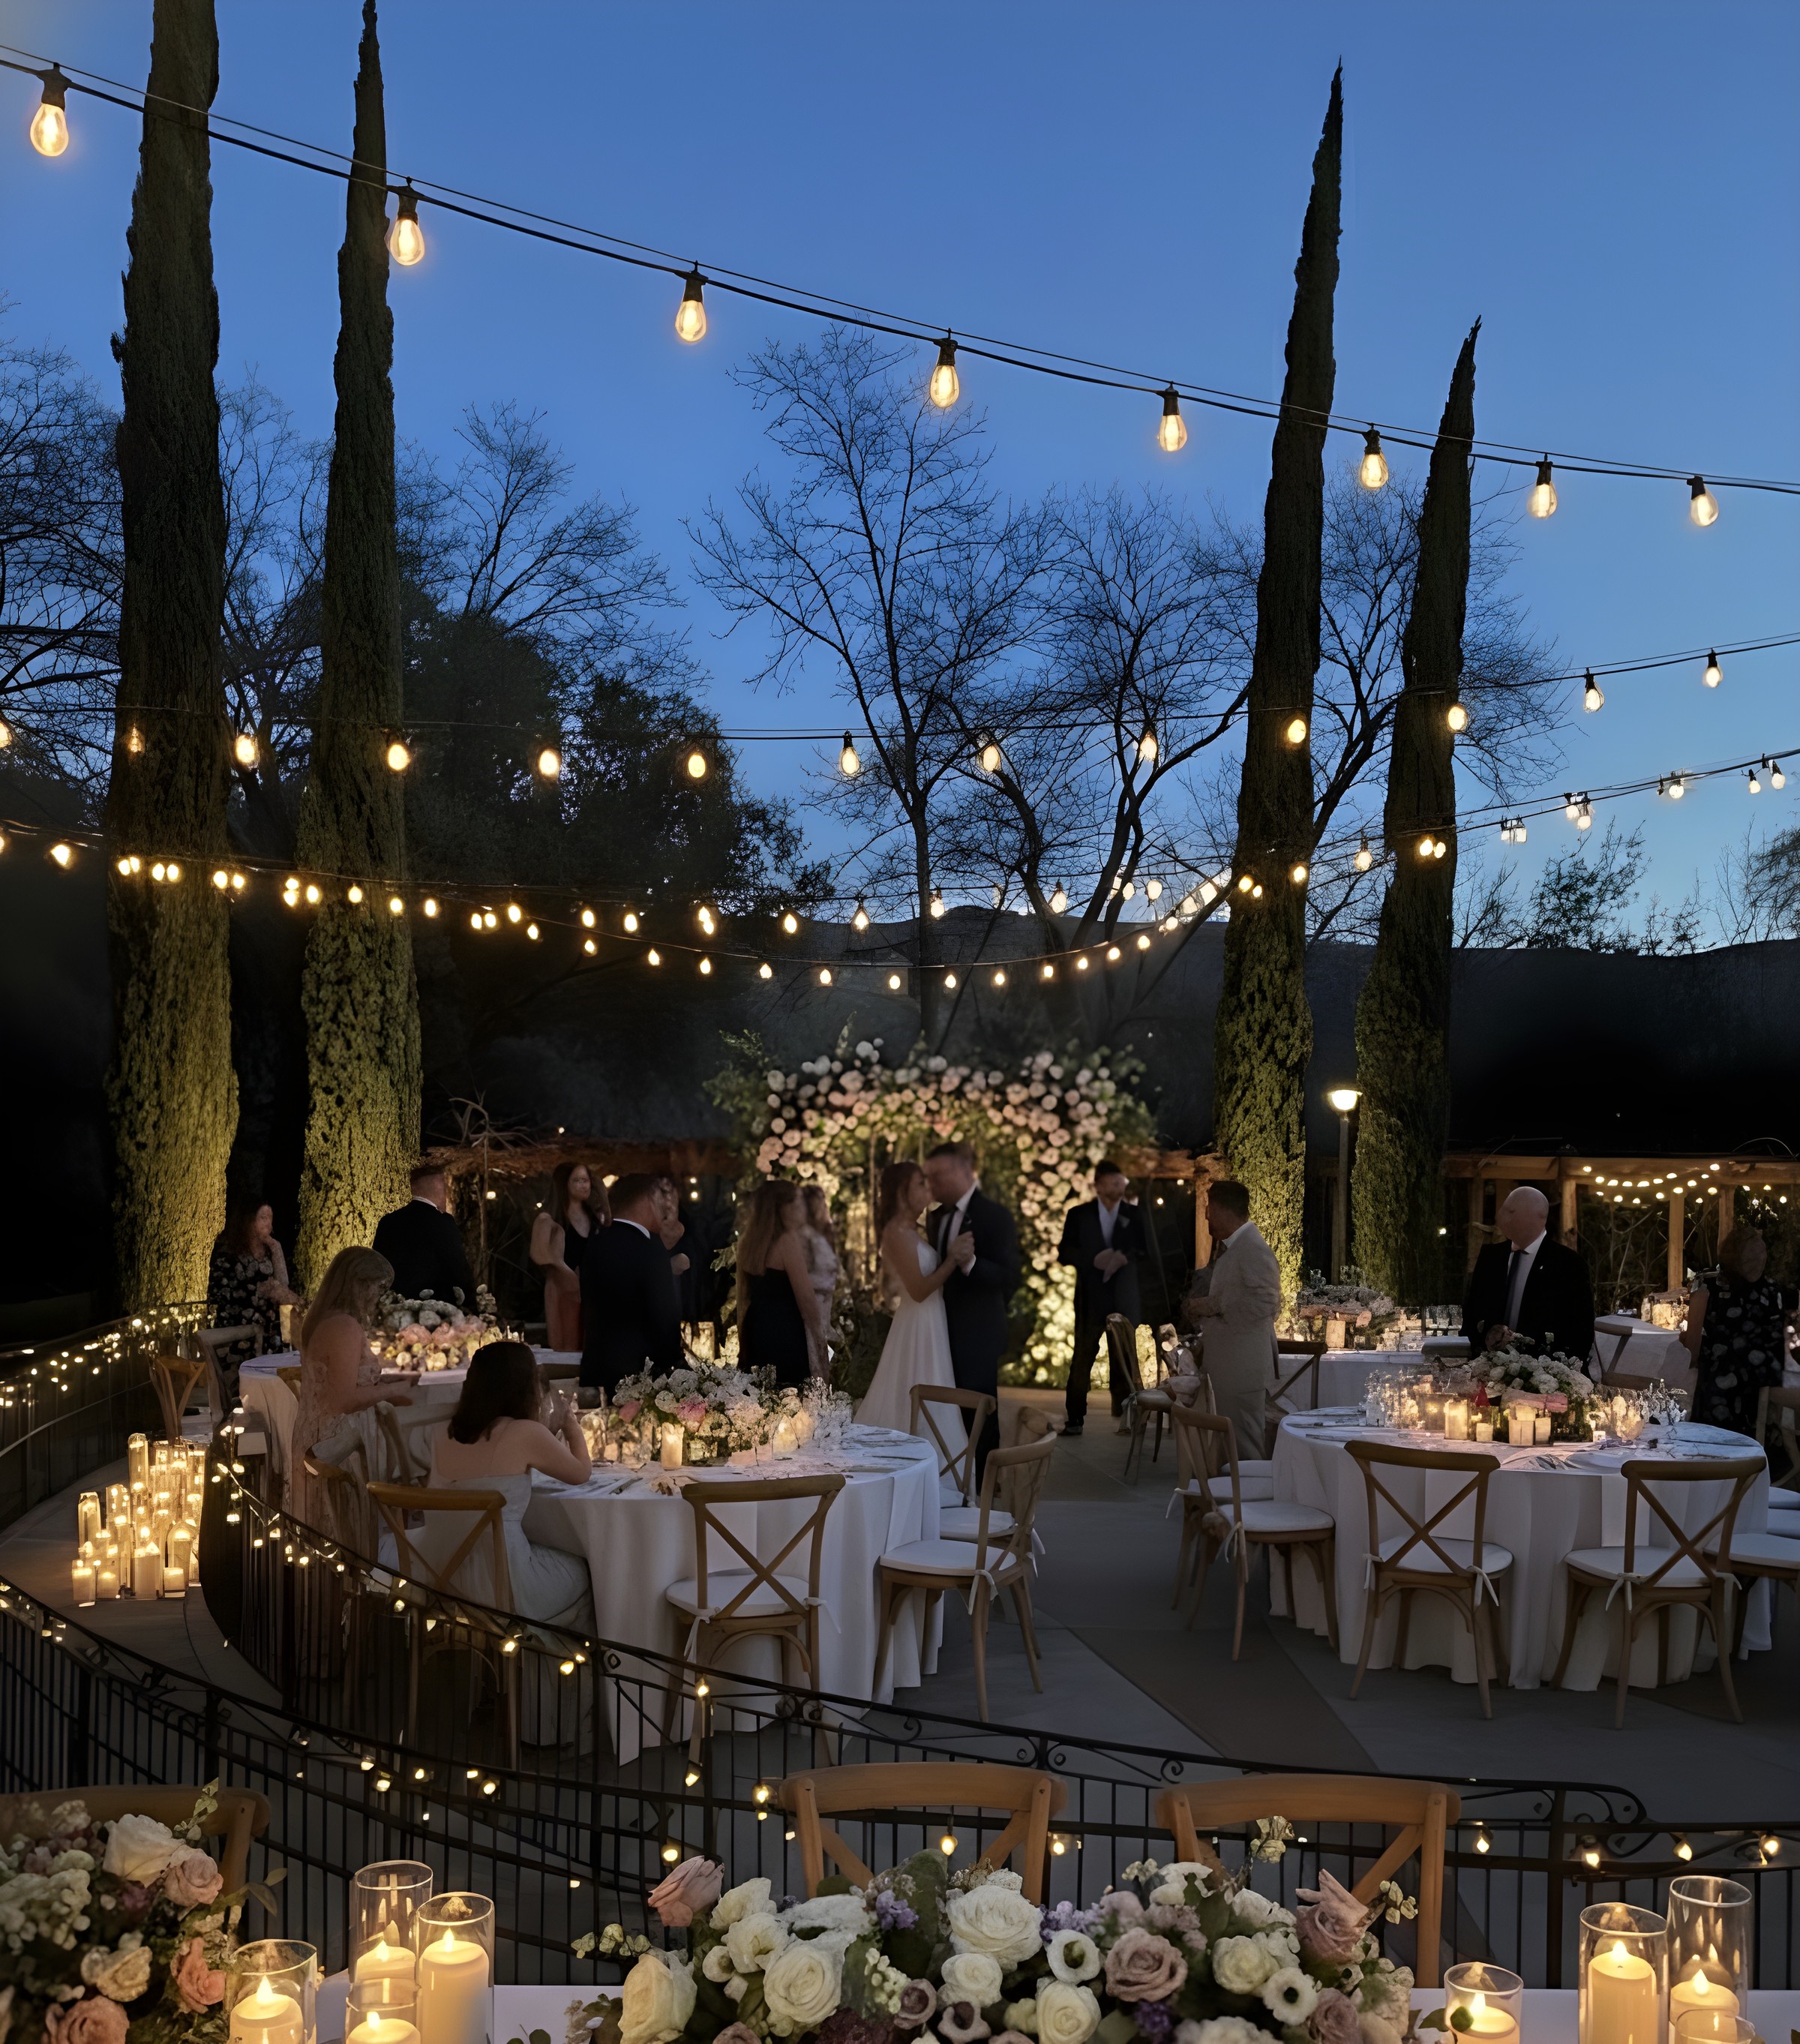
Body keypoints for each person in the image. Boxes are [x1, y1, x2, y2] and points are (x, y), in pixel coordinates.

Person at [418, 1339, 594, 1626]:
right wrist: (571, 1426)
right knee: (586, 1569)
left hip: (444, 1579)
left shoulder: (441, 1434)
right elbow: (580, 1474)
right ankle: (558, 1663)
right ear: (524, 1386)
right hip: (507, 1587)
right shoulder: (524, 1432)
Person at [288, 1247, 414, 1523]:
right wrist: (395, 1391)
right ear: (359, 1283)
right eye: (378, 1287)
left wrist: (386, 1381)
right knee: (344, 1526)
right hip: (337, 1440)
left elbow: (341, 1379)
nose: (379, 1296)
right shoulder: (342, 1326)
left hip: (323, 1430)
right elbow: (342, 1400)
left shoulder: (325, 1318)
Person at [925, 1141, 1021, 1476]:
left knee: (980, 1414)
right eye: (928, 1176)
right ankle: (950, 1480)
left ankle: (984, 1487)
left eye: (938, 1175)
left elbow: (1010, 1277)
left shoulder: (995, 1216)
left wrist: (972, 1263)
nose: (932, 1184)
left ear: (964, 1170)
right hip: (937, 1331)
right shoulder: (935, 1216)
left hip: (977, 1334)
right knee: (943, 1414)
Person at [858, 1161, 972, 1434]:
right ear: (901, 1192)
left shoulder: (914, 1229)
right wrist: (952, 1260)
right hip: (917, 1322)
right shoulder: (895, 1233)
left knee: (936, 1385)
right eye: (920, 1184)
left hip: (931, 1319)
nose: (927, 1189)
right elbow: (918, 1291)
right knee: (917, 1385)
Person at [1185, 1179, 1281, 1462]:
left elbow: (1266, 1302)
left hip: (1242, 1366)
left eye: (1208, 1209)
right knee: (1231, 1444)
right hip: (1232, 1367)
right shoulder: (1239, 1246)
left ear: (1219, 1208)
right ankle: (1231, 1500)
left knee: (1246, 1446)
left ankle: (1247, 1503)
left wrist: (1212, 1307)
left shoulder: (1252, 1248)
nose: (1205, 1216)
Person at [1057, 1160, 1147, 1436]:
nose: (1117, 1188)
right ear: (1098, 1185)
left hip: (1124, 1295)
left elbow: (1146, 1251)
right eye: (1111, 1183)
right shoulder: (1079, 1214)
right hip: (1090, 1296)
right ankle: (1074, 1417)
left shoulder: (1134, 1215)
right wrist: (1093, 1259)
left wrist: (1124, 1257)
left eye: (1120, 1183)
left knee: (1126, 1357)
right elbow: (1064, 1253)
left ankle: (1127, 1415)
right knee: (1083, 1354)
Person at [1682, 1226, 1796, 1436]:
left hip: (1716, 1395)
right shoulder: (1771, 1291)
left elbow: (1692, 1352)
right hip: (1760, 1397)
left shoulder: (1706, 1285)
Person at [1462, 1186, 1595, 1363]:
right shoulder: (1491, 1257)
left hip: (1543, 1373)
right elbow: (1472, 1314)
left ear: (1534, 1217)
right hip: (1487, 1367)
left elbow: (1581, 1331)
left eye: (1510, 1211)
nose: (1500, 1217)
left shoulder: (1568, 1264)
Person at [579, 1172, 684, 1393]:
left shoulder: (596, 1243)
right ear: (648, 1201)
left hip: (598, 1371)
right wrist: (679, 1369)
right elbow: (664, 1320)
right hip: (641, 1379)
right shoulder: (648, 1250)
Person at [735, 1178, 829, 1388]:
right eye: (796, 1202)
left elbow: (745, 1294)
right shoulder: (786, 1241)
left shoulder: (749, 1241)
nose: (801, 1208)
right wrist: (820, 1342)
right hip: (784, 1331)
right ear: (783, 1207)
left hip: (756, 1326)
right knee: (788, 1397)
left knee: (761, 1396)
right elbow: (806, 1299)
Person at [207, 1194, 304, 1368]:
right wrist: (260, 1291)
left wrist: (276, 1248)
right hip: (239, 1326)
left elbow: (283, 1284)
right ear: (248, 1220)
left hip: (268, 1327)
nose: (269, 1224)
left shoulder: (268, 1250)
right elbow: (221, 1291)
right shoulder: (228, 1249)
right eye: (263, 1218)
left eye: (270, 1219)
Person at [372, 1163, 476, 1305]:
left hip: (395, 1306)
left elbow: (379, 1267)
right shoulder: (443, 1222)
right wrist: (472, 1304)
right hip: (431, 1308)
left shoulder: (387, 1221)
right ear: (439, 1187)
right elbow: (457, 1269)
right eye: (445, 1186)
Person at [530, 1161, 607, 1352]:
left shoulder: (595, 1217)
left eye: (586, 1180)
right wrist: (565, 1273)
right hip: (563, 1291)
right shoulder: (550, 1219)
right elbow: (539, 1254)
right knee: (568, 1347)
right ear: (564, 1184)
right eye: (577, 1181)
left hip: (591, 1290)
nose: (583, 1185)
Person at [799, 1186, 842, 1373]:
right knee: (813, 1349)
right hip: (814, 1301)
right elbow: (804, 1276)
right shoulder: (805, 1236)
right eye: (821, 1203)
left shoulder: (821, 1235)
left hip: (825, 1301)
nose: (825, 1207)